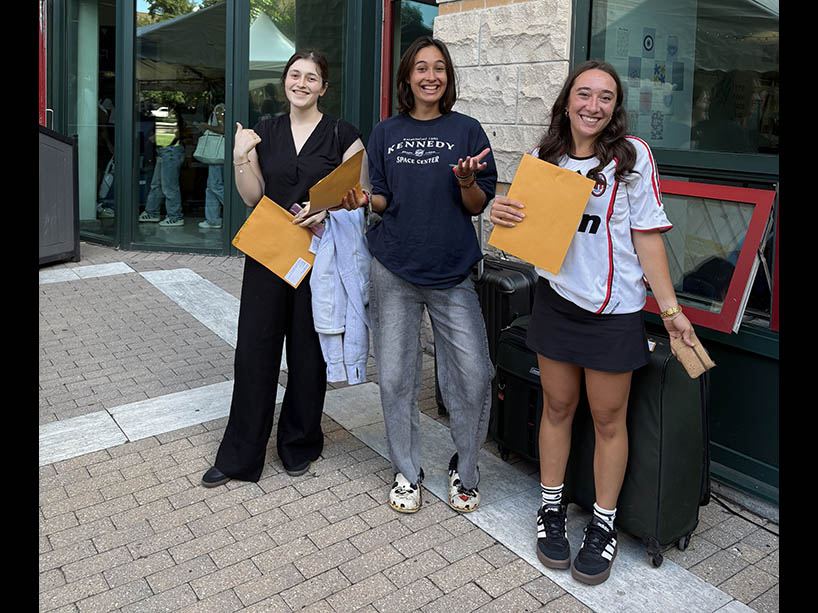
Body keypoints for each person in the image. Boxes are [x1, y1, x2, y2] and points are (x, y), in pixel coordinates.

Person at [489, 60, 695, 585]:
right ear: (566, 101)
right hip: (556, 303)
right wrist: (502, 215)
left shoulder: (631, 158)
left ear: (615, 107)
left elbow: (648, 237)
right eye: (584, 94)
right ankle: (551, 509)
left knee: (608, 422)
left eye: (605, 98)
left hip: (613, 313)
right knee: (557, 408)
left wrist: (670, 312)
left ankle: (602, 525)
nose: (593, 106)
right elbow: (522, 227)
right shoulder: (543, 158)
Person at [340, 36, 496, 515]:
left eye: (440, 68)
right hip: (394, 268)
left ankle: (465, 471)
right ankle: (407, 470)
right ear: (407, 78)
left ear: (448, 77)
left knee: (473, 377)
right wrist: (367, 201)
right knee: (395, 378)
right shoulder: (386, 131)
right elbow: (385, 199)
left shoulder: (468, 130)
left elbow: (477, 204)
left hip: (452, 273)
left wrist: (468, 181)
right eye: (421, 68)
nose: (431, 76)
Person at [201, 49, 365, 487]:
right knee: (255, 353)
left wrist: (326, 209)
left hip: (319, 257)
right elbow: (252, 197)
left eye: (312, 77)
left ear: (324, 87)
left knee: (308, 356)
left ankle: (300, 443)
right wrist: (240, 156)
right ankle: (239, 456)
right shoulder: (264, 132)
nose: (302, 83)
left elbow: (362, 192)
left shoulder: (342, 134)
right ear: (285, 81)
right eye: (295, 74)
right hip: (269, 255)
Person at [139, 105, 186, 227]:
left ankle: (175, 216)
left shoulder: (169, 118)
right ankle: (152, 212)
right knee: (157, 185)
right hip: (165, 152)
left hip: (169, 152)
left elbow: (170, 136)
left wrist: (156, 137)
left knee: (169, 187)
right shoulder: (168, 118)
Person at [197, 102, 226, 229]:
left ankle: (237, 210)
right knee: (210, 188)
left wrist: (206, 126)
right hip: (217, 156)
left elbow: (222, 129)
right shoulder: (225, 108)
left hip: (217, 155)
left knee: (215, 186)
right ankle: (212, 220)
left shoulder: (219, 108)